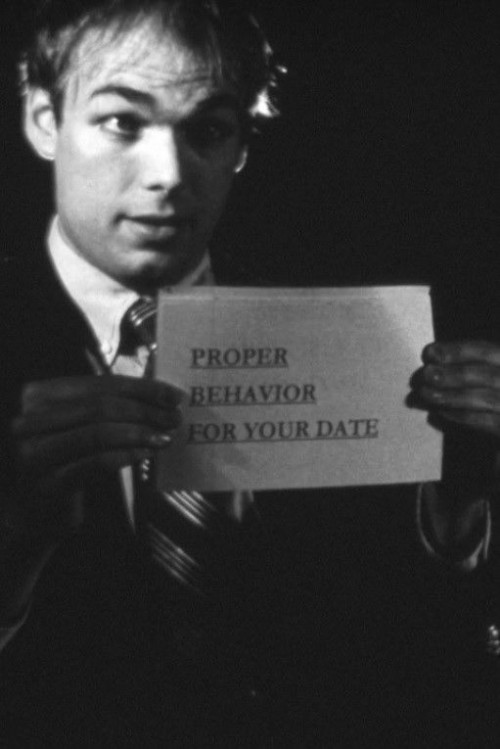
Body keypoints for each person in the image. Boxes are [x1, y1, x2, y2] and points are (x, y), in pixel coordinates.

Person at [0, 0, 496, 745]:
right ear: (45, 121)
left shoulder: (353, 339)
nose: (169, 175)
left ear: (242, 144)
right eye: (123, 122)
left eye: (207, 131)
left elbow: (404, 656)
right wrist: (13, 540)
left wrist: (459, 506)